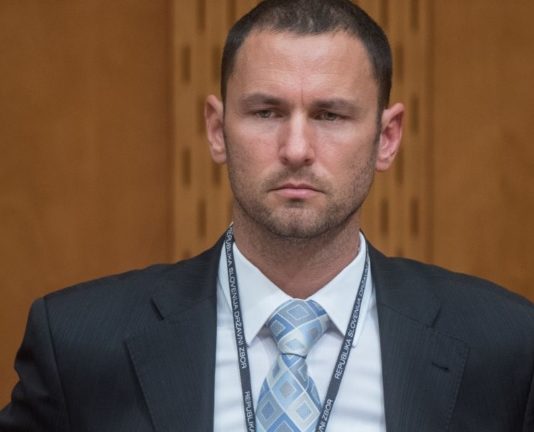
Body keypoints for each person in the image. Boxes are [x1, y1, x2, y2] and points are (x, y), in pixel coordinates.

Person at [1, 0, 533, 430]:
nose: (296, 148)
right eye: (266, 112)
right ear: (217, 130)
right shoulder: (80, 347)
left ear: (386, 138)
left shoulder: (505, 347)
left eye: (330, 115)